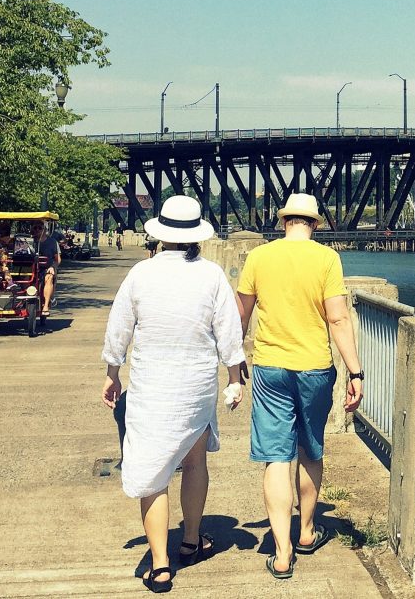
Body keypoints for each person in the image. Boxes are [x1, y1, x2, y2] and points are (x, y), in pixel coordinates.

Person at [101, 195, 246, 593]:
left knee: (153, 474)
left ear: (160, 235)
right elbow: (229, 332)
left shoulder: (140, 274)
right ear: (197, 236)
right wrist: (234, 376)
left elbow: (119, 329)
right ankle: (190, 541)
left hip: (151, 387)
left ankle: (161, 565)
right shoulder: (212, 275)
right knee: (195, 463)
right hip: (196, 386)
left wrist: (112, 372)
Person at [236, 192, 363, 580]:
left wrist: (235, 358)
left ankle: (281, 553)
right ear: (316, 225)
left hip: (270, 367)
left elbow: (240, 311)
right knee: (309, 449)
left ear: (283, 221)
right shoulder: (326, 259)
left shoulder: (259, 257)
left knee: (276, 456)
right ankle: (306, 531)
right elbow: (338, 319)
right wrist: (355, 372)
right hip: (315, 368)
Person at [30, 220, 61, 318]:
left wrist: (53, 267)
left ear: (45, 229)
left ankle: (46, 305)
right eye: (35, 228)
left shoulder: (52, 242)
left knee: (49, 277)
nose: (38, 230)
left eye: (40, 228)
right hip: (30, 268)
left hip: (46, 268)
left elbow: (57, 259)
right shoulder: (29, 241)